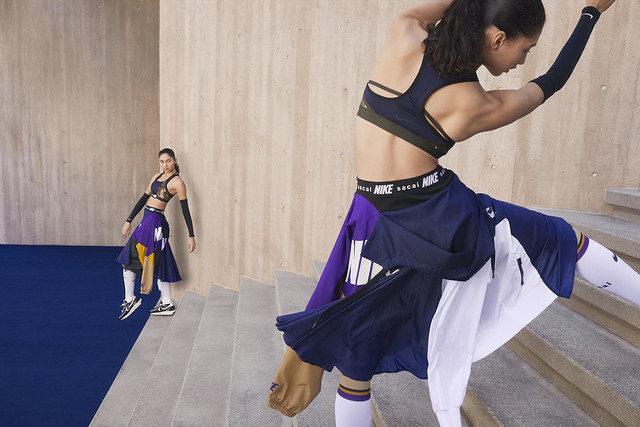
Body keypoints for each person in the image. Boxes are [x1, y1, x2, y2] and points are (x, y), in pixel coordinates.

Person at [268, 1, 639, 426]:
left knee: (358, 357)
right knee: (562, 240)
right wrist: (591, 12)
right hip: (439, 220)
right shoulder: (473, 103)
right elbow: (550, 82)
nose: (522, 61)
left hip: (372, 215)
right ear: (498, 38)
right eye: (525, 49)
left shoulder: (405, 32)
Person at [116, 148, 196, 320]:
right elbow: (143, 199)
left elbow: (185, 210)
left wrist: (191, 235)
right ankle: (166, 302)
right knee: (161, 261)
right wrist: (129, 220)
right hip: (147, 220)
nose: (165, 165)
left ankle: (130, 299)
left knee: (129, 257)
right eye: (162, 161)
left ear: (174, 160)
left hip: (155, 222)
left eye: (168, 161)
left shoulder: (178, 182)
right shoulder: (156, 177)